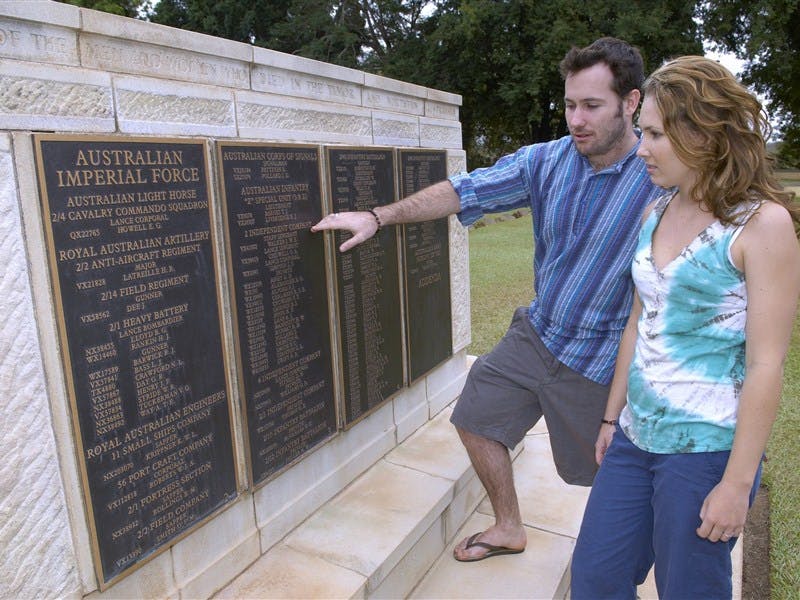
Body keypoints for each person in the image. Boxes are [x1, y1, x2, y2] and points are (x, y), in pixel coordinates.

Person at [311, 37, 662, 561]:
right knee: (475, 417)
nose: (576, 119)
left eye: (592, 106)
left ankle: (625, 561)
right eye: (570, 105)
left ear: (630, 103)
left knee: (610, 474)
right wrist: (378, 216)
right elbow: (464, 190)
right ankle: (508, 526)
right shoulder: (545, 161)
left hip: (604, 355)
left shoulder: (659, 174)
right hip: (538, 332)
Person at [570, 56, 800, 599]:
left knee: (689, 589)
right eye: (641, 132)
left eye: (654, 134)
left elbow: (768, 364)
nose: (642, 148)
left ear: (701, 133)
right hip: (634, 436)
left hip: (705, 450)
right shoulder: (657, 210)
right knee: (595, 578)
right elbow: (637, 321)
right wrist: (611, 418)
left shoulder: (762, 224)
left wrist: (737, 483)